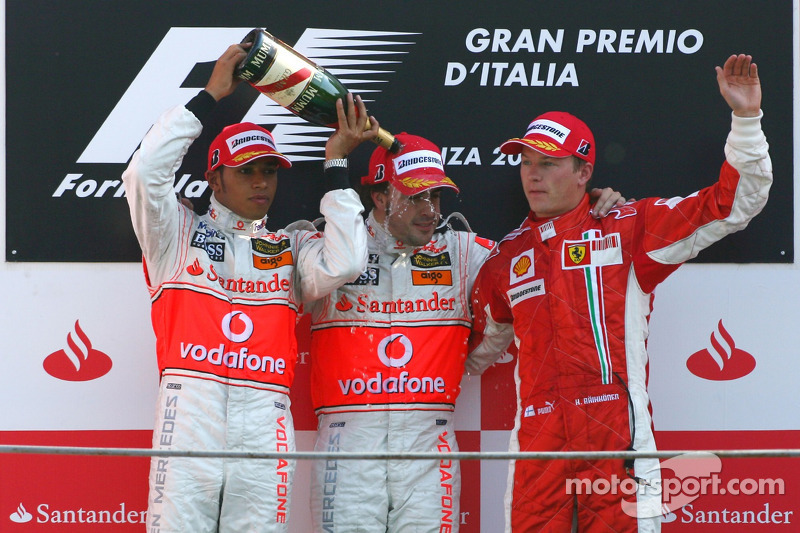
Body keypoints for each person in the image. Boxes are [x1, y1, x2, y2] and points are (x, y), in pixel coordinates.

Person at [467, 53, 772, 532]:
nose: (532, 175)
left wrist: (746, 119)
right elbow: (476, 345)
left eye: (548, 163)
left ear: (584, 172)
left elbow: (733, 204)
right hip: (537, 449)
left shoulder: (628, 228)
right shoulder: (506, 259)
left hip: (618, 443)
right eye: (526, 163)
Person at [305, 133, 625, 532]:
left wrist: (589, 210)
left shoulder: (462, 251)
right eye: (416, 197)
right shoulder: (327, 248)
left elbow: (535, 266)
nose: (430, 211)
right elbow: (322, 270)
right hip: (347, 442)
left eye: (436, 198)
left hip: (429, 439)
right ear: (381, 197)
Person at [122, 41, 375, 532]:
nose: (261, 182)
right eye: (246, 171)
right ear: (214, 180)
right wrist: (209, 97)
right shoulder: (176, 235)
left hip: (265, 418)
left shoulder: (292, 246)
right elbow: (145, 174)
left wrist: (337, 165)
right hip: (188, 412)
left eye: (268, 171)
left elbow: (347, 260)